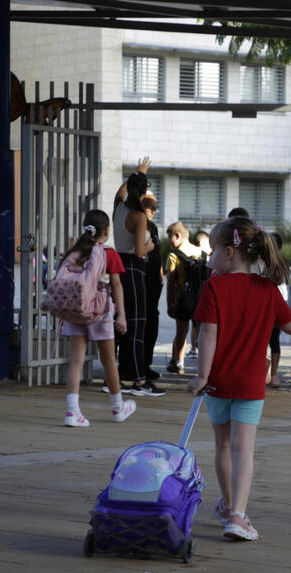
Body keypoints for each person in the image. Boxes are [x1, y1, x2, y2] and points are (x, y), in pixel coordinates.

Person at [185, 216, 291, 541]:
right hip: (250, 386)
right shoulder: (268, 290)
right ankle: (237, 515)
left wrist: (202, 376)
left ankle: (229, 505)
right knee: (243, 450)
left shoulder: (214, 287)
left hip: (217, 383)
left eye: (215, 251)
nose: (211, 258)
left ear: (230, 252)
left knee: (221, 446)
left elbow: (207, 333)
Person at [59, 209, 136, 427]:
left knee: (76, 361)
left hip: (75, 311)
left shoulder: (74, 252)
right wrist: (121, 315)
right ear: (107, 231)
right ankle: (118, 407)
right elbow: (117, 285)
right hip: (100, 311)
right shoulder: (109, 254)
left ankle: (73, 412)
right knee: (109, 360)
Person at [113, 157, 163, 397]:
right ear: (144, 192)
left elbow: (119, 192)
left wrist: (136, 173)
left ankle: (119, 376)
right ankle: (139, 380)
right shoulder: (138, 215)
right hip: (134, 267)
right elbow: (141, 250)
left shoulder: (119, 207)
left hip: (117, 265)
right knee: (137, 324)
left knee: (122, 323)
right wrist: (151, 246)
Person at [165, 221, 208, 373]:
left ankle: (179, 362)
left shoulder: (173, 256)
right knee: (202, 334)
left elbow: (171, 282)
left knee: (181, 333)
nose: (170, 242)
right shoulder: (202, 254)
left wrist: (170, 304)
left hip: (183, 300)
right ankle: (205, 366)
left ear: (177, 236)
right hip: (200, 299)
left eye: (170, 238)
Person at [141, 194, 164, 382]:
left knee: (152, 323)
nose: (154, 212)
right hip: (142, 280)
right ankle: (138, 365)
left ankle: (146, 364)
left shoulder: (153, 227)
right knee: (143, 323)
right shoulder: (138, 224)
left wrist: (160, 274)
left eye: (155, 208)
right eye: (151, 208)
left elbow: (157, 253)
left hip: (154, 282)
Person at [268, 231, 290, 388]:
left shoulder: (273, 263)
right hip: (275, 308)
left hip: (272, 308)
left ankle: (270, 373)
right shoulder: (282, 263)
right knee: (272, 341)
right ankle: (271, 374)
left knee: (269, 341)